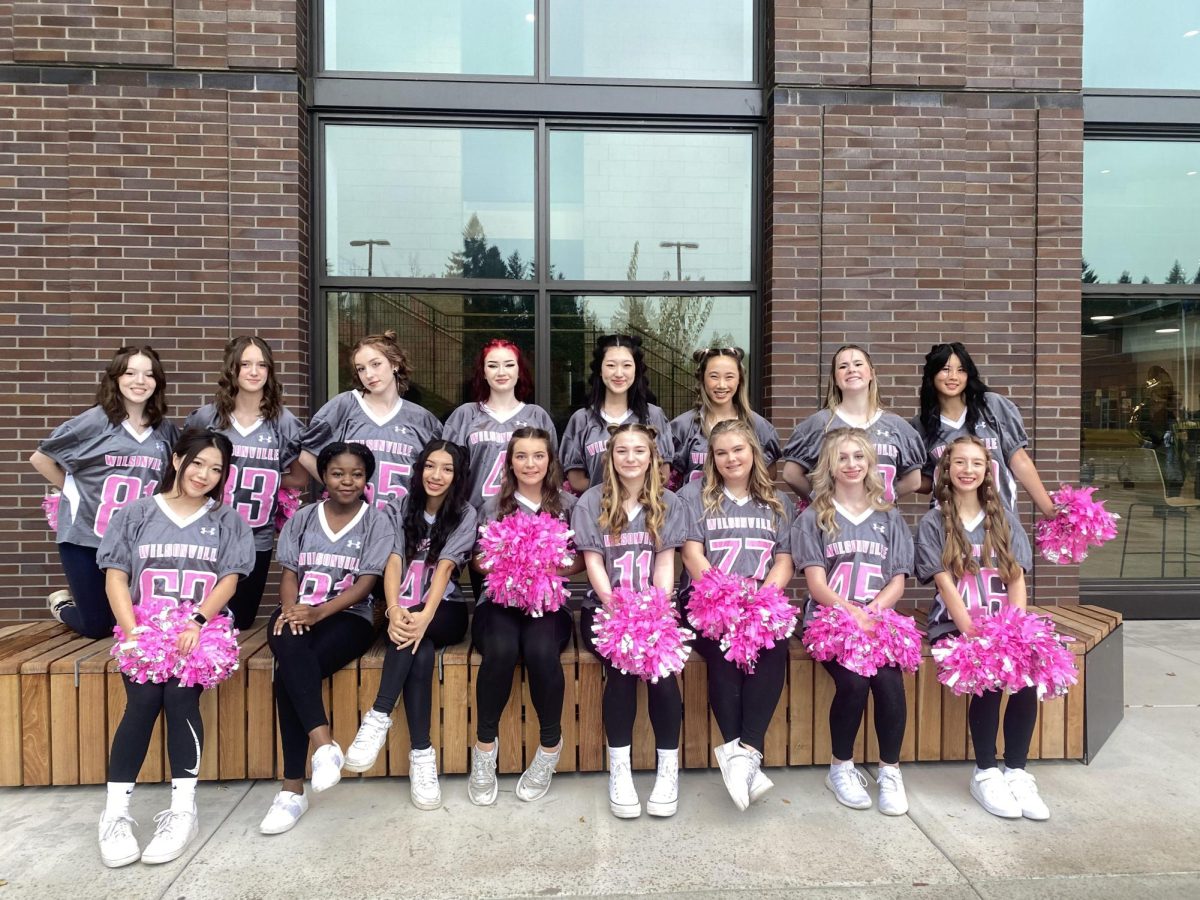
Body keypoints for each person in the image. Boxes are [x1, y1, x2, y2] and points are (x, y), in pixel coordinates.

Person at [95, 428, 254, 867]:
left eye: (216, 468)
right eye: (198, 462)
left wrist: (199, 621)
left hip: (197, 630)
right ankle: (115, 814)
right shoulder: (138, 513)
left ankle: (183, 809)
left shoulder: (226, 520)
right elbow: (116, 575)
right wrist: (132, 633)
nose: (204, 474)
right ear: (177, 459)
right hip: (144, 627)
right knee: (142, 702)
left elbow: (230, 578)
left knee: (181, 700)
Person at [260, 442, 393, 835]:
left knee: (290, 672)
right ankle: (324, 745)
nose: (346, 481)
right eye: (337, 473)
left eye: (355, 474)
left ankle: (292, 789)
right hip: (298, 611)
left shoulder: (377, 521)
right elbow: (289, 573)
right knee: (291, 648)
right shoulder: (303, 517)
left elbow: (367, 582)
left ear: (366, 478)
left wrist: (317, 612)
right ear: (324, 476)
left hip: (347, 617)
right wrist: (291, 610)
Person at [915, 434, 1048, 821]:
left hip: (1003, 621)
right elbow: (944, 584)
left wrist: (1015, 628)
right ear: (947, 469)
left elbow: (1017, 580)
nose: (967, 470)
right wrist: (973, 631)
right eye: (959, 462)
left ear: (988, 471)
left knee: (1024, 674)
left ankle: (1017, 772)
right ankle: (986, 771)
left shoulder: (1004, 517)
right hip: (958, 624)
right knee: (991, 672)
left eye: (976, 463)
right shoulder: (933, 521)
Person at [342, 440, 477, 810]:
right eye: (430, 466)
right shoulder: (397, 508)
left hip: (444, 609)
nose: (437, 476)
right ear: (419, 469)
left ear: (457, 475)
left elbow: (447, 566)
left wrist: (423, 616)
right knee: (418, 651)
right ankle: (422, 756)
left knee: (416, 635)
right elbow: (393, 561)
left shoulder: (465, 513)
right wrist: (394, 609)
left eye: (447, 469)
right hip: (404, 608)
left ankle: (379, 715)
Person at [791, 427, 914, 815]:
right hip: (832, 621)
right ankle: (840, 767)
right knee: (854, 683)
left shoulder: (888, 516)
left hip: (877, 619)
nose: (851, 465)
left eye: (858, 457)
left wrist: (874, 610)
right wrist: (852, 612)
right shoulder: (814, 516)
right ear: (829, 464)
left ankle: (890, 772)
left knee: (891, 686)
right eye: (842, 457)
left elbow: (898, 578)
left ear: (870, 463)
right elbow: (815, 583)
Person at [573, 423, 687, 819]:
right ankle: (619, 768)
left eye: (640, 451)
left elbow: (666, 563)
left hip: (655, 609)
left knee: (662, 673)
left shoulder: (669, 502)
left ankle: (667, 769)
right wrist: (618, 610)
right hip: (605, 611)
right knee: (621, 670)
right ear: (611, 457)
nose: (631, 458)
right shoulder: (591, 501)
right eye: (622, 451)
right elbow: (593, 566)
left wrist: (656, 612)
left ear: (652, 457)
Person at [678, 419, 794, 810]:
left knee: (773, 653)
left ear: (753, 452)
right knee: (723, 659)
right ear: (712, 457)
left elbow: (784, 560)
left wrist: (760, 600)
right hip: (709, 601)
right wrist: (724, 598)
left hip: (761, 599)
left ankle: (741, 755)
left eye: (738, 450)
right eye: (722, 452)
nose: (731, 458)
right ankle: (748, 760)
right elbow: (692, 554)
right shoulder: (695, 495)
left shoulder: (778, 501)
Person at [466, 427, 584, 806]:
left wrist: (547, 566)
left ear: (550, 460)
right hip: (499, 603)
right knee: (500, 650)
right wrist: (509, 561)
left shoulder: (568, 505)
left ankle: (549, 748)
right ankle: (484, 750)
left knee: (539, 651)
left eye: (538, 456)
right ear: (510, 461)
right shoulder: (492, 505)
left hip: (549, 606)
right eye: (521, 456)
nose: (530, 464)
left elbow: (582, 558)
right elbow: (477, 560)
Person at [31, 345, 179, 638]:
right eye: (131, 373)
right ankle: (63, 605)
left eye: (149, 375)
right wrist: (74, 490)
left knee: (128, 620)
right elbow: (41, 458)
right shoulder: (96, 421)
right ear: (116, 378)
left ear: (158, 382)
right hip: (86, 536)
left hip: (133, 543)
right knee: (97, 627)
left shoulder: (165, 431)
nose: (140, 381)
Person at [183, 336, 306, 628]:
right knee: (200, 618)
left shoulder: (283, 421)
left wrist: (264, 479)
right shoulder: (208, 416)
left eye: (262, 365)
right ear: (232, 369)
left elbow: (300, 477)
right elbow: (183, 466)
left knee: (241, 621)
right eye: (246, 364)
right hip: (207, 532)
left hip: (255, 536)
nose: (254, 371)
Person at [442, 339, 556, 601]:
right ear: (483, 371)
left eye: (508, 364)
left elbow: (550, 470)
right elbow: (448, 469)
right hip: (480, 520)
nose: (501, 372)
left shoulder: (536, 415)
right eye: (492, 365)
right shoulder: (465, 415)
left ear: (520, 370)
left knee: (530, 595)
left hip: (528, 523)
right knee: (489, 598)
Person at [298, 330, 441, 510]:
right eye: (361, 368)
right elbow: (306, 454)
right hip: (352, 519)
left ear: (395, 363)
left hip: (403, 523)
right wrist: (338, 488)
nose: (369, 374)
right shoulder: (345, 406)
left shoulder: (422, 419)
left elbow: (439, 469)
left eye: (376, 364)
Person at [915, 342, 1055, 516]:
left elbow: (1020, 461)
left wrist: (1050, 511)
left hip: (999, 519)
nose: (953, 376)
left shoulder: (991, 406)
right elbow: (928, 481)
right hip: (949, 523)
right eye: (945, 369)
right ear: (932, 374)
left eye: (961, 370)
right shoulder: (922, 425)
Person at [782, 344, 923, 504]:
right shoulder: (820, 423)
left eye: (858, 364)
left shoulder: (896, 425)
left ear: (871, 374)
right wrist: (821, 501)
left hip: (880, 524)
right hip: (833, 523)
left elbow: (914, 481)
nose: (851, 370)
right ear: (835, 379)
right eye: (843, 366)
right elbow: (791, 474)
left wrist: (882, 499)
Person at [559, 335, 673, 494]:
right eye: (611, 365)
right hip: (597, 512)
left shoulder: (653, 416)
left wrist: (631, 499)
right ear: (600, 369)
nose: (619, 373)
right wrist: (609, 497)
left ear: (636, 370)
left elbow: (662, 474)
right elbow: (576, 480)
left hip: (643, 512)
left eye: (627, 365)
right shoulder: (582, 419)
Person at [670, 347, 780, 485]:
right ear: (702, 379)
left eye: (729, 377)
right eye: (714, 376)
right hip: (694, 505)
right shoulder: (682, 427)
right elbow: (671, 483)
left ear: (739, 379)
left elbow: (767, 479)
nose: (721, 385)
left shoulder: (759, 426)